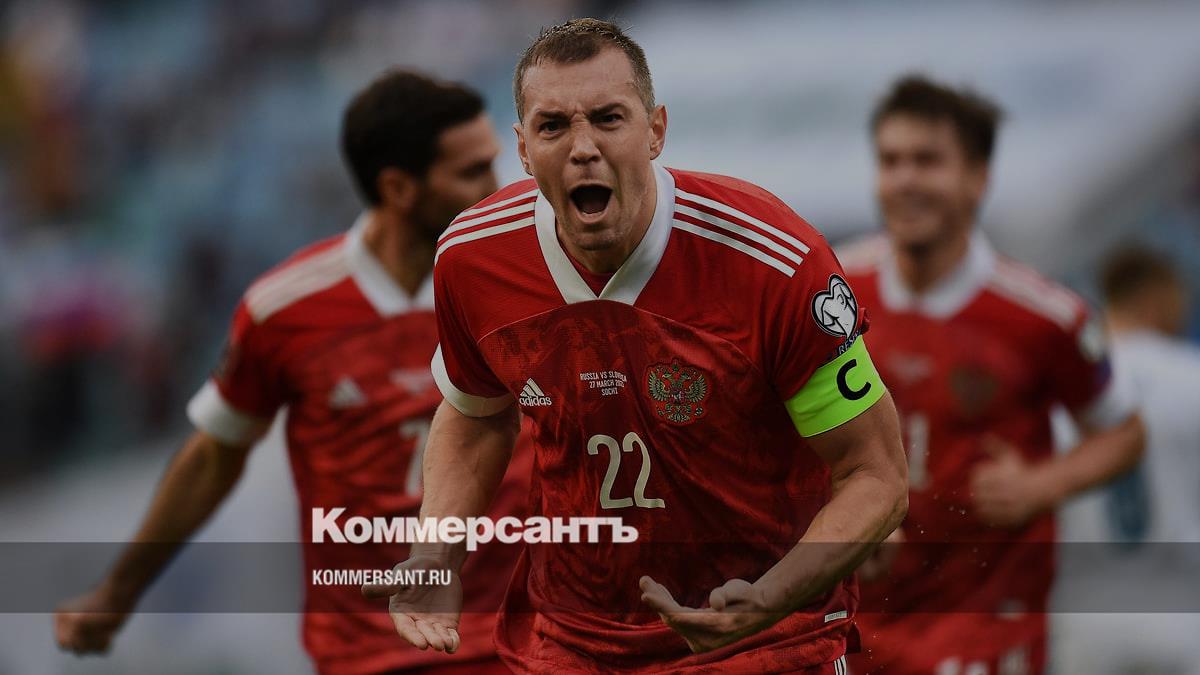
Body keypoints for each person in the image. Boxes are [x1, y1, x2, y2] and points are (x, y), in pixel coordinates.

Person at [363, 18, 908, 674]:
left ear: (656, 130)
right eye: (553, 126)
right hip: (572, 647)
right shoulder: (472, 258)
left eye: (608, 119)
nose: (583, 148)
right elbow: (475, 416)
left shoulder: (775, 261)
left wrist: (770, 597)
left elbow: (875, 474)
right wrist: (438, 550)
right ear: (523, 148)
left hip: (764, 646)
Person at [54, 70, 531, 675]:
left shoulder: (531, 286)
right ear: (399, 188)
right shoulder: (285, 310)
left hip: (522, 648)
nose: (495, 189)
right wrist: (118, 592)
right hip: (370, 656)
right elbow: (213, 457)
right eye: (472, 172)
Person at [839, 75, 1145, 674]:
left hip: (984, 626)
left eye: (927, 161)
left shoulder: (1043, 317)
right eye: (890, 161)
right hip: (858, 621)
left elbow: (1124, 432)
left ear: (977, 178)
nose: (905, 180)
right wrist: (842, 513)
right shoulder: (832, 294)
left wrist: (1042, 485)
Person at [1053, 246, 1200, 675]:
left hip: (1084, 613)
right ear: (1156, 298)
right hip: (1182, 607)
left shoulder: (1066, 388)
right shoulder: (1191, 375)